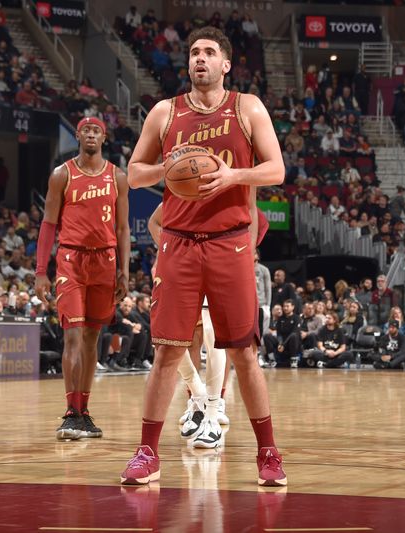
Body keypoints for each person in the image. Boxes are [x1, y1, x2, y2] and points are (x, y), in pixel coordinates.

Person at [121, 26, 286, 487]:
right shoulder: (164, 111)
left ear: (226, 65)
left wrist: (233, 175)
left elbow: (276, 169)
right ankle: (147, 453)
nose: (200, 59)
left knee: (244, 353)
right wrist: (170, 166)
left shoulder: (247, 106)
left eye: (210, 53)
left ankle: (268, 453)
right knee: (167, 352)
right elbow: (134, 175)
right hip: (177, 241)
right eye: (194, 52)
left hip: (231, 241)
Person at [35, 116, 130, 441]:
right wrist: (40, 272)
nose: (91, 134)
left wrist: (124, 269)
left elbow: (122, 228)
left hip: (104, 261)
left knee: (92, 339)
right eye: (86, 130)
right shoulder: (62, 174)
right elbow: (49, 224)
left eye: (97, 131)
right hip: (71, 260)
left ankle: (85, 411)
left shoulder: (117, 176)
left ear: (103, 138)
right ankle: (70, 412)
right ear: (78, 135)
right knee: (73, 337)